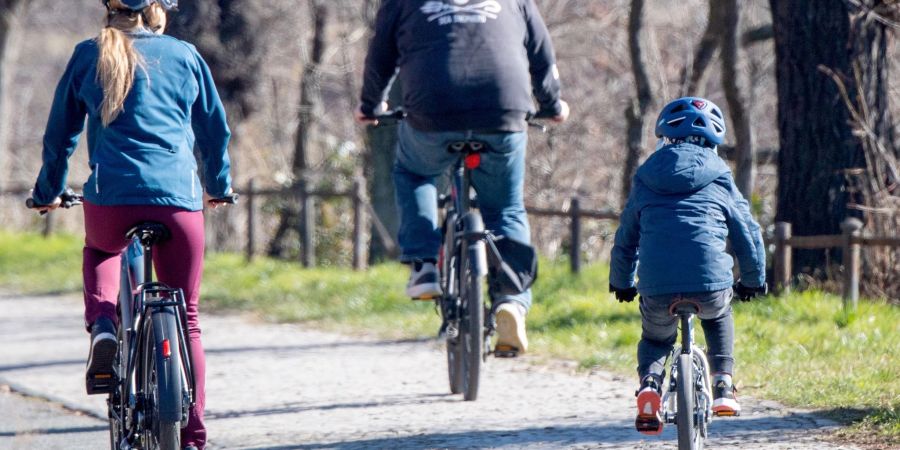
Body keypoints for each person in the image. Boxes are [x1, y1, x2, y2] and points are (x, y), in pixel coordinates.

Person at [28, 1, 233, 448]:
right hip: (178, 202)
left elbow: (60, 135)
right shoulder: (185, 55)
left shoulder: (89, 54)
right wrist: (218, 186)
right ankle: (193, 437)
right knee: (189, 318)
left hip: (112, 199)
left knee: (103, 251)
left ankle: (103, 323)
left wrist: (47, 193)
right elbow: (215, 132)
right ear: (157, 9)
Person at [356, 0, 569, 355]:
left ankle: (424, 265)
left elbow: (380, 57)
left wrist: (370, 105)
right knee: (505, 208)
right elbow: (542, 54)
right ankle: (511, 300)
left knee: (415, 173)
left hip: (431, 108)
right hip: (503, 108)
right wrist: (552, 104)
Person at [608, 97, 767, 435]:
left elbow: (626, 236)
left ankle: (650, 385)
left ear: (665, 136)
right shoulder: (720, 176)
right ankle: (723, 384)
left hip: (656, 285)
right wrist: (753, 280)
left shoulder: (646, 176)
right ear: (714, 141)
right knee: (719, 313)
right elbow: (747, 233)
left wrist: (622, 281)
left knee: (655, 338)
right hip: (710, 283)